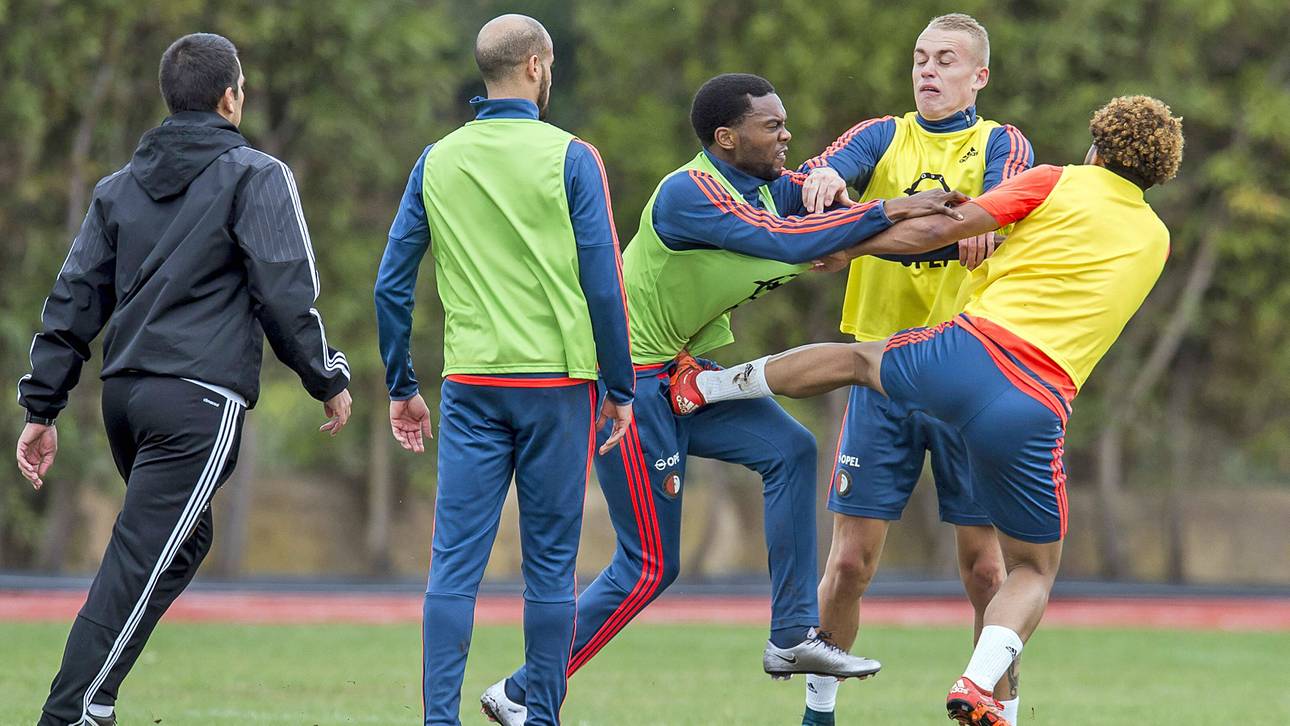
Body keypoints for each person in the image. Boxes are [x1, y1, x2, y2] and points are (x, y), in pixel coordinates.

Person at [671, 95, 1183, 726]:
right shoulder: (1158, 240)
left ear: (1096, 147)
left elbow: (946, 227)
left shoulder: (1056, 178)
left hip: (965, 355)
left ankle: (708, 388)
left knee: (857, 359)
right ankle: (976, 682)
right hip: (1038, 403)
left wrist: (852, 244)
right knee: (1030, 572)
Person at [480, 72, 970, 726]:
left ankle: (791, 636)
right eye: (773, 126)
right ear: (726, 137)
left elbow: (841, 228)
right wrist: (887, 212)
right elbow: (783, 241)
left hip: (675, 373)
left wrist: (962, 220)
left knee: (791, 449)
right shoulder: (691, 193)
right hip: (624, 387)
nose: (787, 134)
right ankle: (521, 694)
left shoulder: (772, 183)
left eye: (785, 122)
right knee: (650, 565)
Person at [15, 32, 353, 726]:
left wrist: (41, 406)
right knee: (136, 562)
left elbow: (73, 298)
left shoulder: (116, 188)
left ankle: (97, 699)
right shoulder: (259, 174)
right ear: (231, 97)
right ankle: (70, 712)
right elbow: (286, 294)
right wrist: (329, 378)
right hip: (199, 401)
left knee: (182, 539)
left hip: (126, 400)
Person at [373, 14, 635, 726]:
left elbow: (391, 286)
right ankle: (542, 718)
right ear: (537, 66)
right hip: (559, 387)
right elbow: (605, 283)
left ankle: (438, 720)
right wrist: (620, 387)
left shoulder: (437, 159)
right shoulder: (574, 156)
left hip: (471, 386)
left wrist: (402, 386)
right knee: (549, 572)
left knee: (453, 565)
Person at [792, 13, 1033, 725]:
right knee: (848, 565)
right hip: (884, 374)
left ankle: (1003, 713)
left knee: (987, 570)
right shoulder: (881, 135)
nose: (929, 70)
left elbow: (992, 212)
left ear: (979, 76)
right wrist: (826, 181)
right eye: (922, 58)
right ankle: (819, 711)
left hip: (970, 375)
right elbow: (818, 178)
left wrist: (864, 229)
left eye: (947, 60)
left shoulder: (1001, 144)